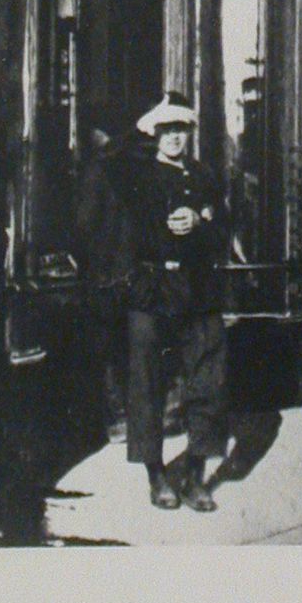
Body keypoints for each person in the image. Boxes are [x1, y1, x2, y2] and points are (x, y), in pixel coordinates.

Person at [119, 93, 229, 512]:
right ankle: (156, 474)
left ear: (190, 133)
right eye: (166, 130)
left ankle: (196, 474)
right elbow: (109, 161)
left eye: (181, 129)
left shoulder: (205, 176)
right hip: (152, 289)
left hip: (199, 290)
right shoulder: (138, 175)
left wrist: (202, 222)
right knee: (147, 381)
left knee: (209, 378)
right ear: (155, 132)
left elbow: (224, 229)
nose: (174, 138)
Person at [74, 121, 135, 442]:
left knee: (107, 347)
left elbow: (84, 222)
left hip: (104, 272)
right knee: (127, 344)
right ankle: (130, 414)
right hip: (130, 271)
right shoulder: (131, 170)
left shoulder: (97, 172)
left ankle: (117, 418)